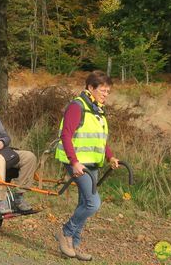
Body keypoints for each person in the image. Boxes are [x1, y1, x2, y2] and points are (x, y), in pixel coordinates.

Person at [54, 71, 119, 261]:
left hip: (92, 164)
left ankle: (73, 245)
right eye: (103, 90)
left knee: (84, 203)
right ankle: (65, 232)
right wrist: (74, 162)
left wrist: (110, 156)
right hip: (77, 163)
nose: (106, 94)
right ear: (91, 88)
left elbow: (99, 139)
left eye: (108, 91)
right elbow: (66, 135)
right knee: (92, 204)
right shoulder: (77, 106)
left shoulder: (97, 109)